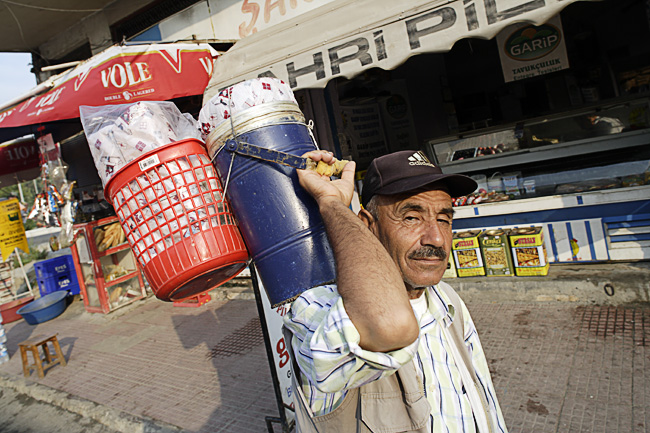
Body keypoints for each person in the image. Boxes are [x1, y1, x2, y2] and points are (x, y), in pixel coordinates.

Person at [283, 150, 508, 433]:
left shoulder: (448, 301)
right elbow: (386, 321)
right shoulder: (315, 310)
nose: (436, 238)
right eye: (412, 217)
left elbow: (485, 401)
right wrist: (331, 203)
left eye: (444, 218)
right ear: (368, 225)